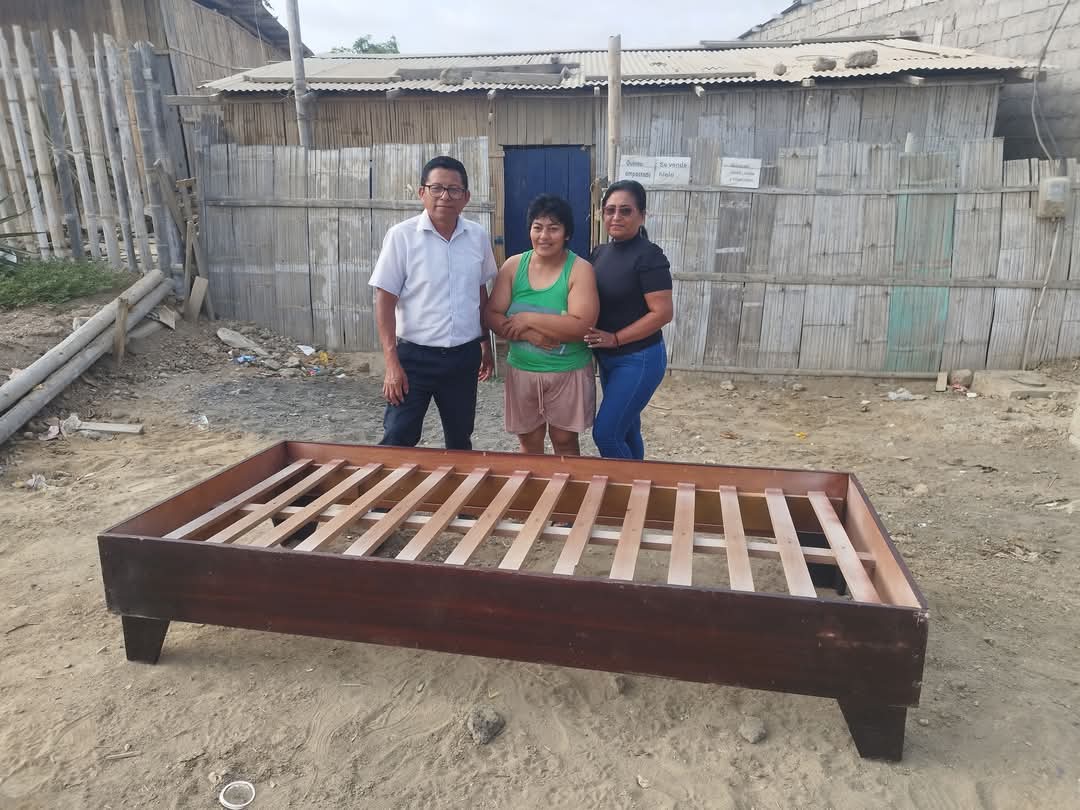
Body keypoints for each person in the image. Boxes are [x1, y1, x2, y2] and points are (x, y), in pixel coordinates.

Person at [369, 155, 498, 450]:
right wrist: (392, 363)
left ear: (466, 197)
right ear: (422, 192)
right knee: (398, 436)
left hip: (463, 358)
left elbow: (479, 292)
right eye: (436, 188)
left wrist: (485, 344)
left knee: (460, 439)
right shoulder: (401, 237)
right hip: (414, 358)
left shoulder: (477, 237)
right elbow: (384, 300)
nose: (445, 197)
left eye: (454, 189)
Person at [485, 194, 598, 455]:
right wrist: (530, 335)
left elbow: (581, 326)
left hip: (567, 370)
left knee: (564, 440)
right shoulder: (513, 266)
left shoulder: (579, 270)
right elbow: (492, 314)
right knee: (528, 441)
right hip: (522, 370)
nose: (544, 236)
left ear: (567, 234)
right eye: (538, 227)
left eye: (553, 228)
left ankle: (567, 483)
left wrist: (527, 319)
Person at [584, 180, 674, 460]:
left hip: (639, 358)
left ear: (642, 215)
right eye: (610, 210)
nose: (616, 217)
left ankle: (624, 484)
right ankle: (638, 483)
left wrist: (616, 338)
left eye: (625, 210)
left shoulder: (650, 256)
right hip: (608, 359)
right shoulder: (599, 253)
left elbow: (662, 313)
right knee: (627, 430)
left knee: (606, 433)